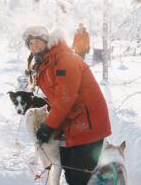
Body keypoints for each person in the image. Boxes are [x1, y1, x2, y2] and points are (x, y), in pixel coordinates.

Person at [22, 26, 111, 185]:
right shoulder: (47, 62)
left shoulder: (63, 59)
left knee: (79, 176)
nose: (34, 47)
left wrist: (48, 126)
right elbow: (58, 98)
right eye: (30, 44)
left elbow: (65, 98)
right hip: (73, 121)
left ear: (46, 41)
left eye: (37, 42)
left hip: (87, 123)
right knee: (70, 171)